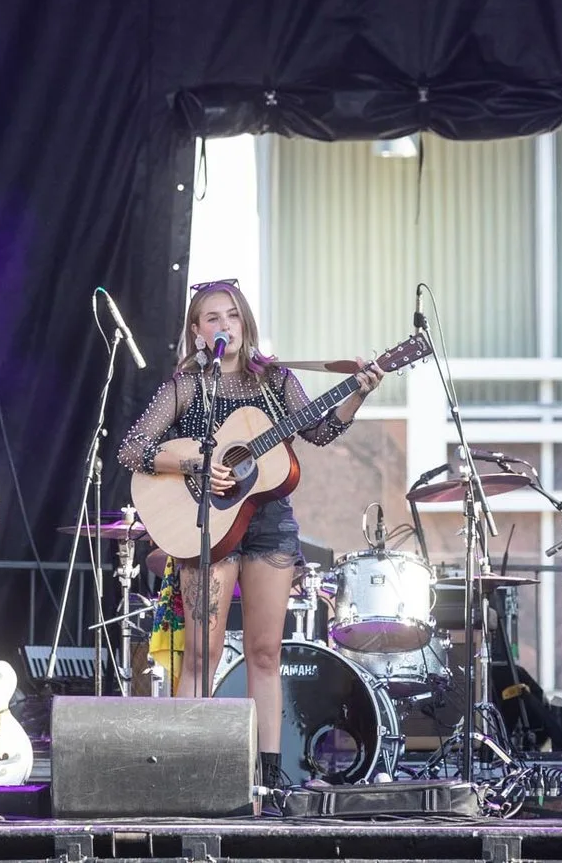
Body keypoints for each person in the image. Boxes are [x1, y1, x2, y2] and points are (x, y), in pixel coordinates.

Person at [118, 279, 384, 787]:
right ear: (198, 331)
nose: (225, 325)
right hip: (206, 525)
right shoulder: (186, 386)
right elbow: (133, 449)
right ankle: (189, 773)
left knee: (266, 653)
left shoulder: (276, 380)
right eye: (213, 318)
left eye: (233, 315)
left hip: (269, 525)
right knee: (202, 655)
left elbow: (319, 431)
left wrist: (358, 394)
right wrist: (197, 463)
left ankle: (269, 777)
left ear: (245, 322)